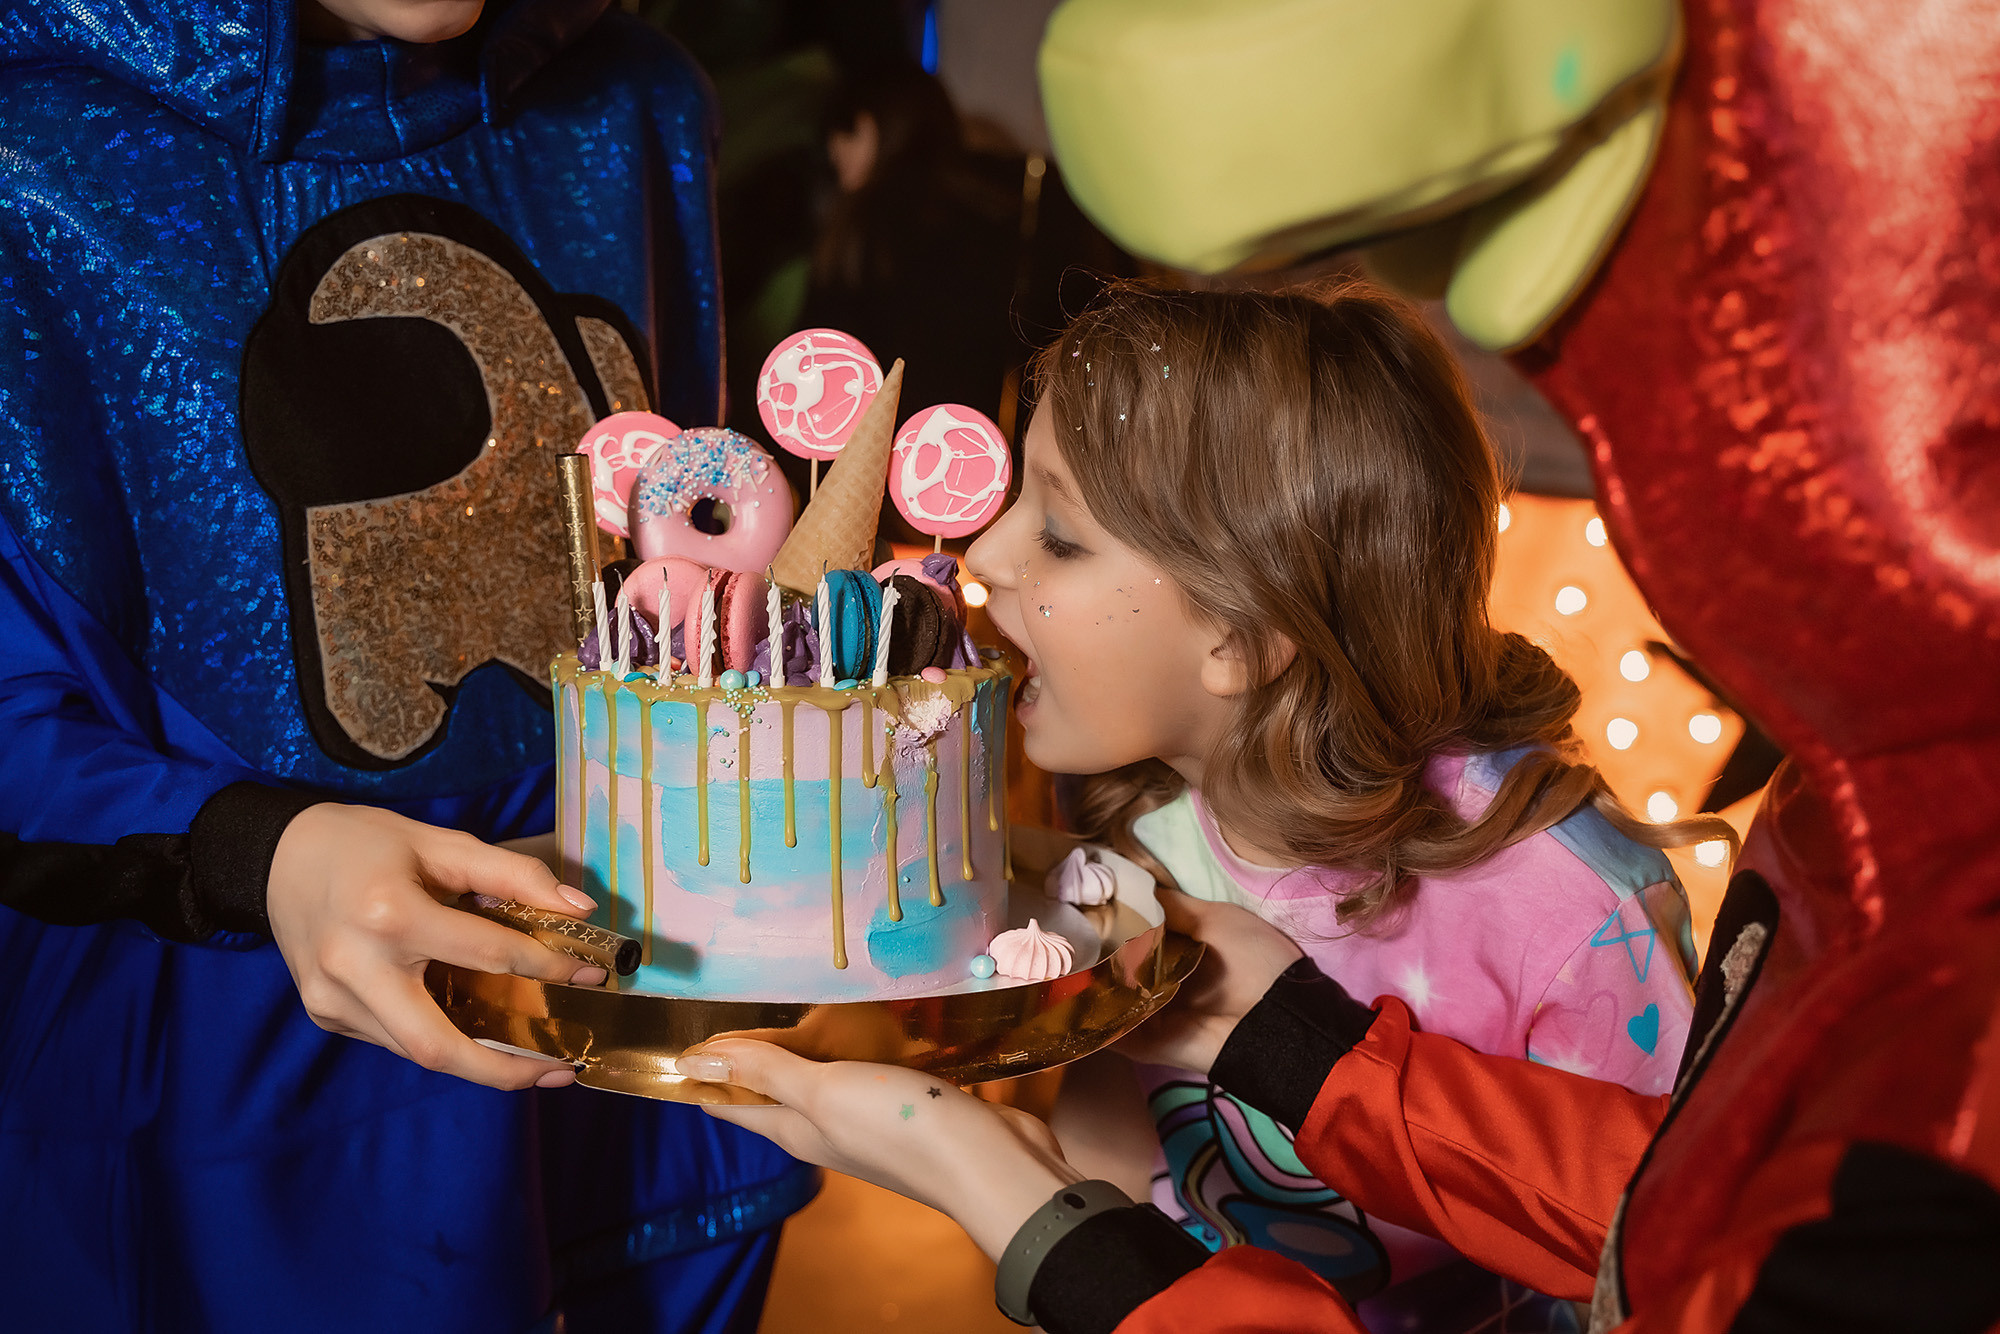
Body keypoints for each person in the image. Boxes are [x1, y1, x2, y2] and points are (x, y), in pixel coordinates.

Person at [688, 280, 1733, 1329]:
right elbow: (1106, 1163)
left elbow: (1654, 1255)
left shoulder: (1571, 913)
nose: (985, 558)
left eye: (1057, 533)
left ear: (1236, 636)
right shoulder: (1137, 826)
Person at [0, 2, 809, 1330]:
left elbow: (685, 553)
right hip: (231, 1142)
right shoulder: (30, 154)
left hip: (642, 1074)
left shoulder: (634, 103)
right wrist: (256, 851)